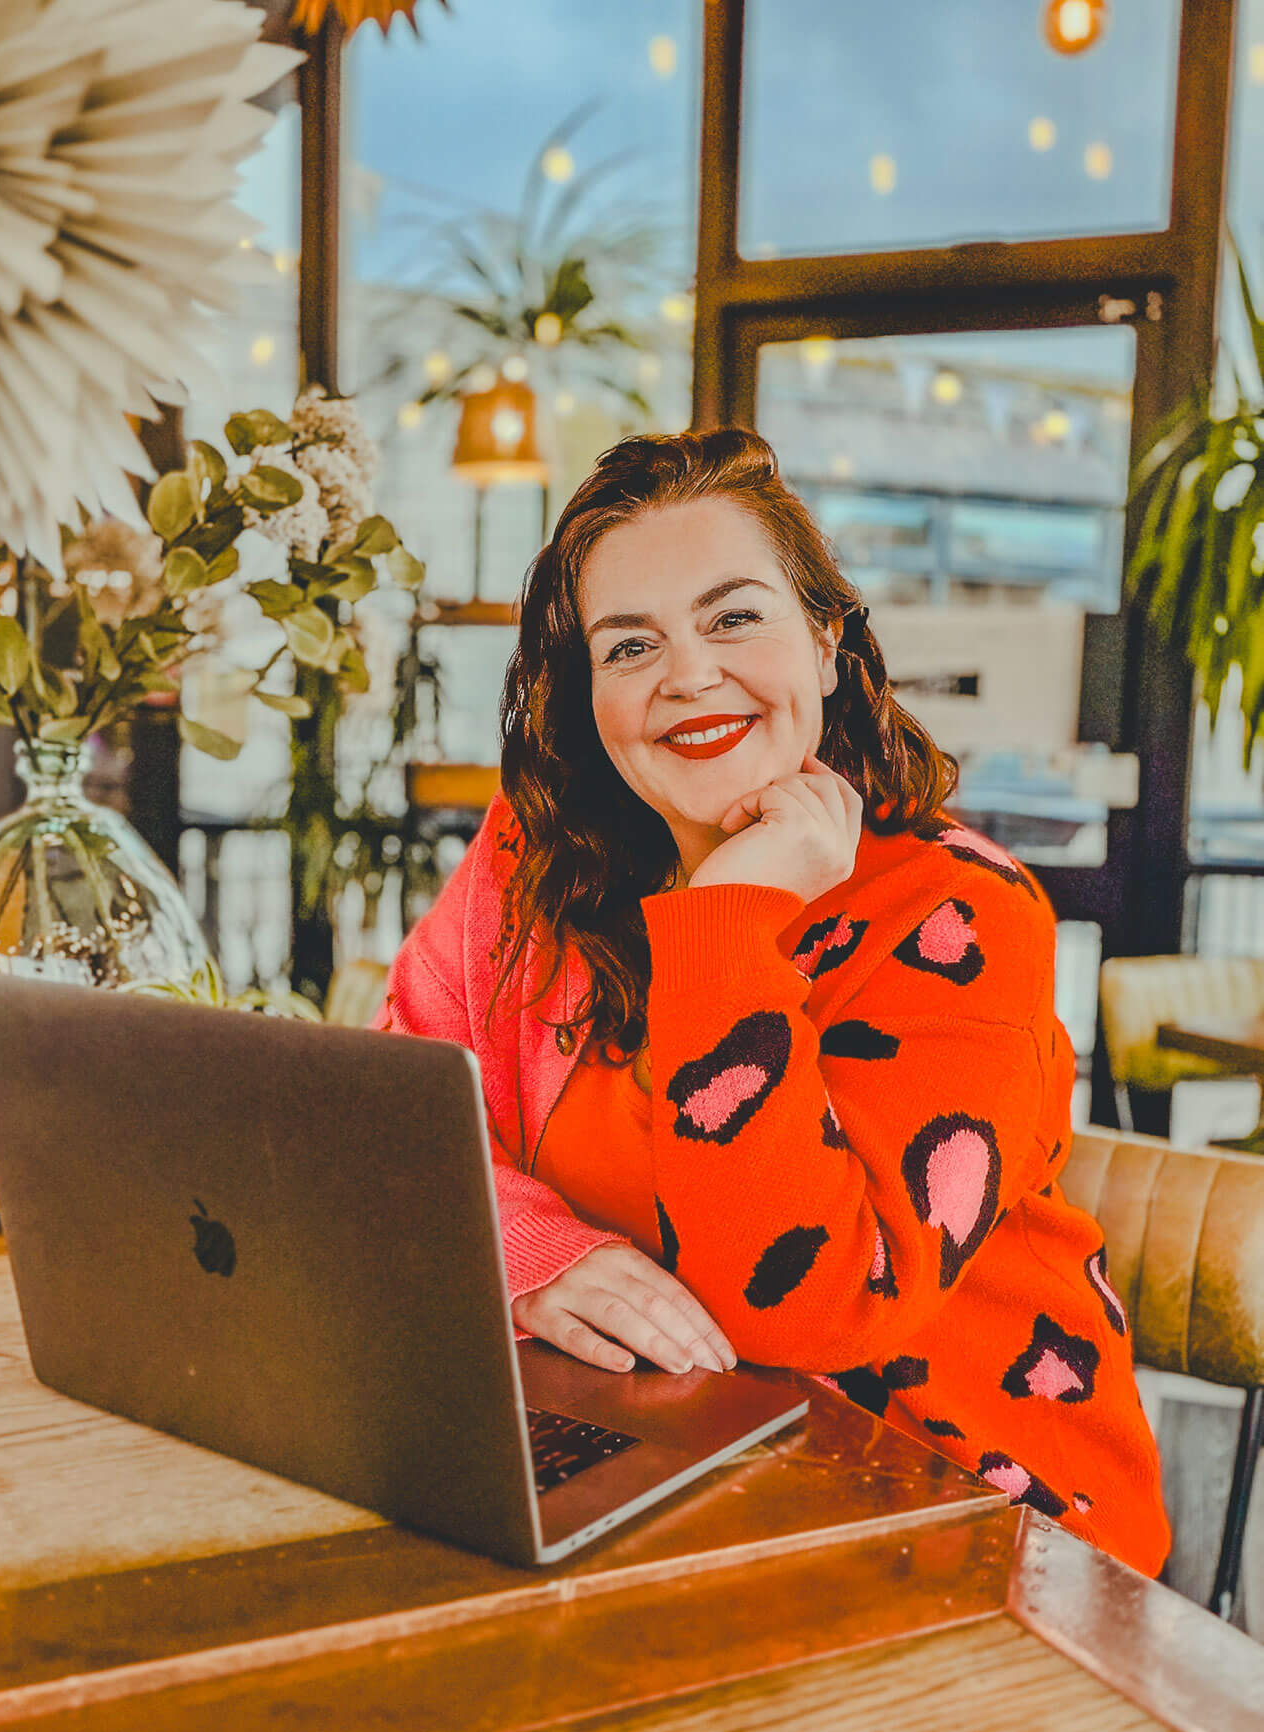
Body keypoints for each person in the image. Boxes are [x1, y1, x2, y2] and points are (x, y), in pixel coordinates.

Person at [374, 428, 1168, 1576]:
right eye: (630, 644)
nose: (687, 673)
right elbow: (396, 1120)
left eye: (734, 617)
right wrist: (529, 1253)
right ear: (586, 692)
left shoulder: (962, 914)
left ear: (828, 640)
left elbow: (808, 1305)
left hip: (969, 1516)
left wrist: (727, 921)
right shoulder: (532, 864)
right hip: (656, 1464)